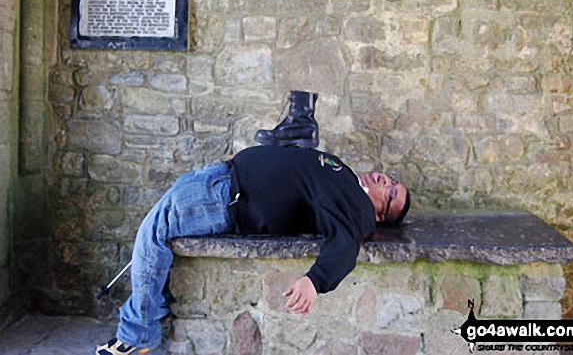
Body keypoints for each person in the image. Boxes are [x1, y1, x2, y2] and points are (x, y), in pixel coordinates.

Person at [96, 95, 410, 355]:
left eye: (391, 192)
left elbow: (345, 244)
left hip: (224, 197)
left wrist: (315, 281)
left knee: (153, 234)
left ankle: (136, 335)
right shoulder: (346, 178)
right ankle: (151, 312)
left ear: (381, 214)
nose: (386, 181)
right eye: (392, 180)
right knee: (156, 233)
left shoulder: (357, 208)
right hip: (221, 179)